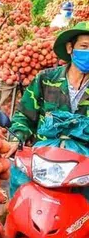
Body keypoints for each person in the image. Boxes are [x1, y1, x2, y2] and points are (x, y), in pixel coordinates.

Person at [5, 22, 89, 158]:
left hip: (84, 166)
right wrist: (17, 138)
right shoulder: (46, 79)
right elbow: (24, 115)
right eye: (84, 46)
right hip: (44, 158)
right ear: (70, 48)